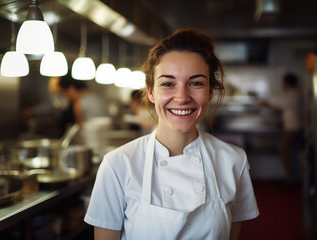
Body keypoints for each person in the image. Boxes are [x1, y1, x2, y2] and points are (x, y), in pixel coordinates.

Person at [84, 29, 259, 240]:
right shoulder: (117, 165)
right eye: (168, 84)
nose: (182, 97)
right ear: (150, 91)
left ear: (210, 92)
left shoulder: (234, 161)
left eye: (196, 83)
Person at [260, 73, 304, 186]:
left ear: (286, 84)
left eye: (283, 83)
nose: (282, 86)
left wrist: (263, 101)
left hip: (291, 129)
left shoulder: (290, 96)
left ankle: (291, 181)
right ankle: (294, 179)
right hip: (297, 129)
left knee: (285, 154)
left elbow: (273, 100)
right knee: (293, 154)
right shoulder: (296, 95)